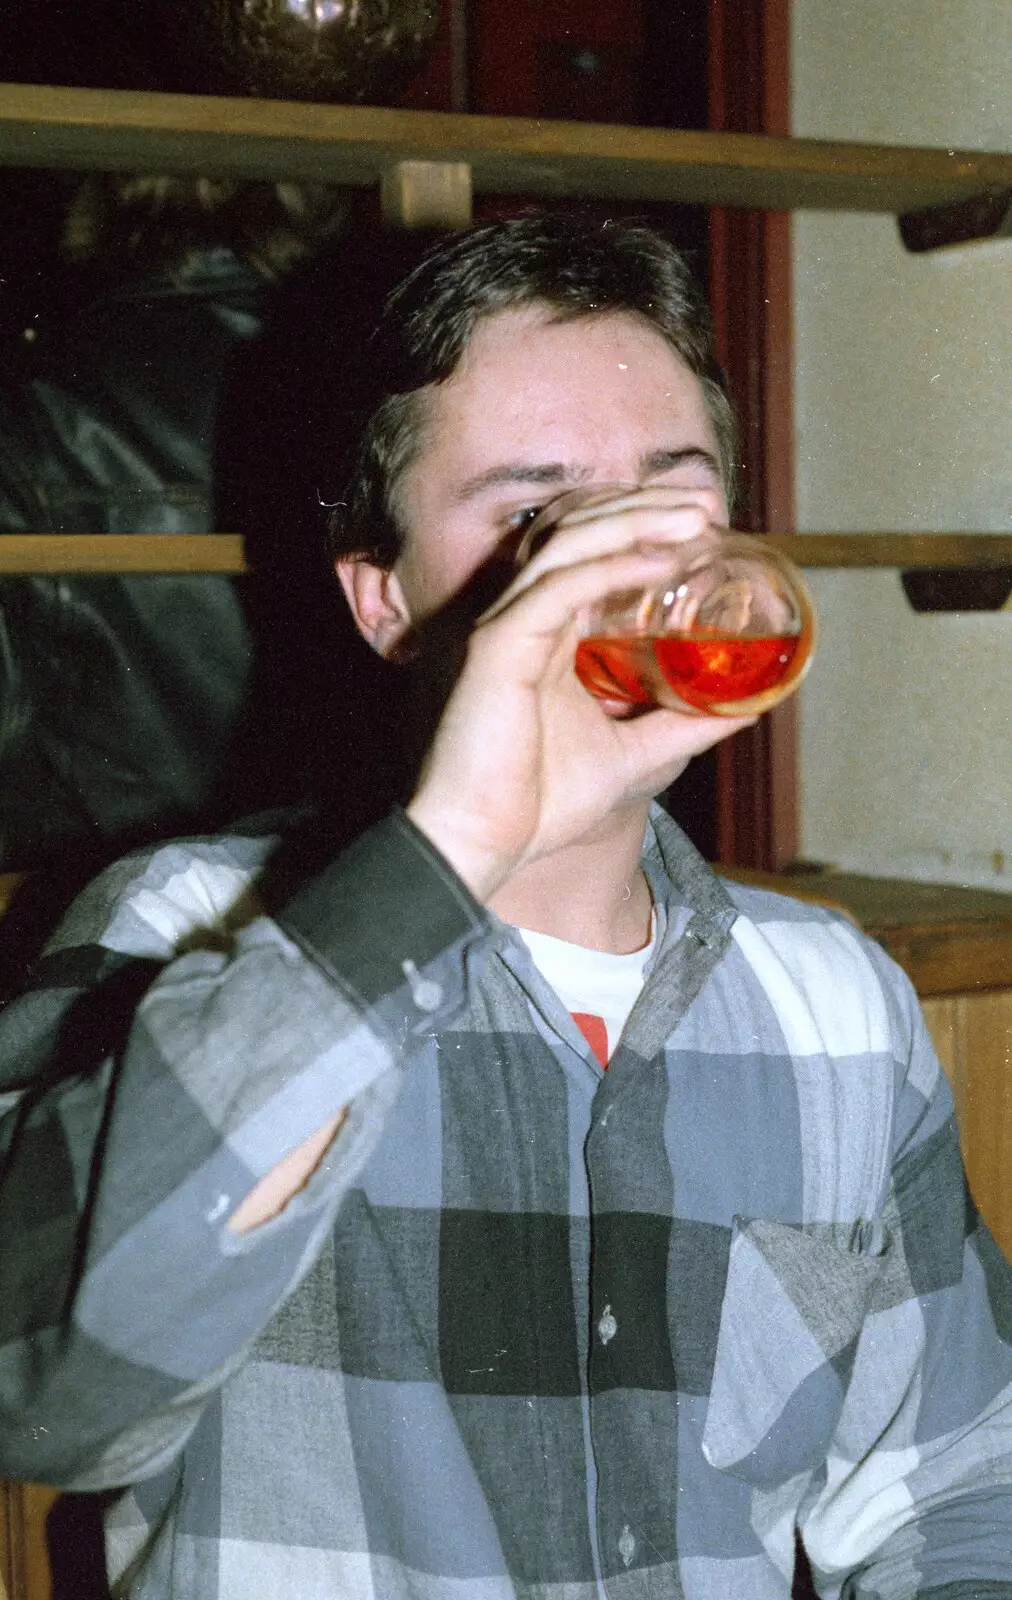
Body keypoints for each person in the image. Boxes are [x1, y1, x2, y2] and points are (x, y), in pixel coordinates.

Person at [1, 214, 1010, 1600]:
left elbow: (956, 1487)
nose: (618, 568)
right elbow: (43, 1395)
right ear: (384, 601)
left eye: (669, 493)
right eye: (534, 518)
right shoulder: (180, 925)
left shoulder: (832, 1001)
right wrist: (459, 845)